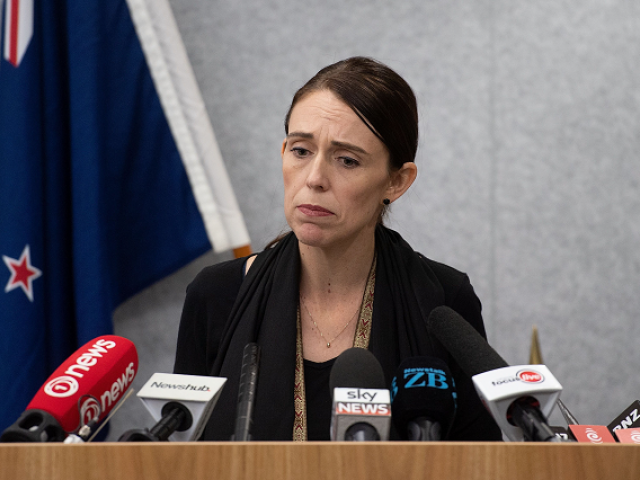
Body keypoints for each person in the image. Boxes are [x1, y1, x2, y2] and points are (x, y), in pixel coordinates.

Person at [174, 56, 502, 441]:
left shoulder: (443, 301)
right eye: (301, 151)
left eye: (347, 160)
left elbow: (477, 458)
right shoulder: (216, 296)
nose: (314, 179)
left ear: (396, 181)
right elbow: (184, 453)